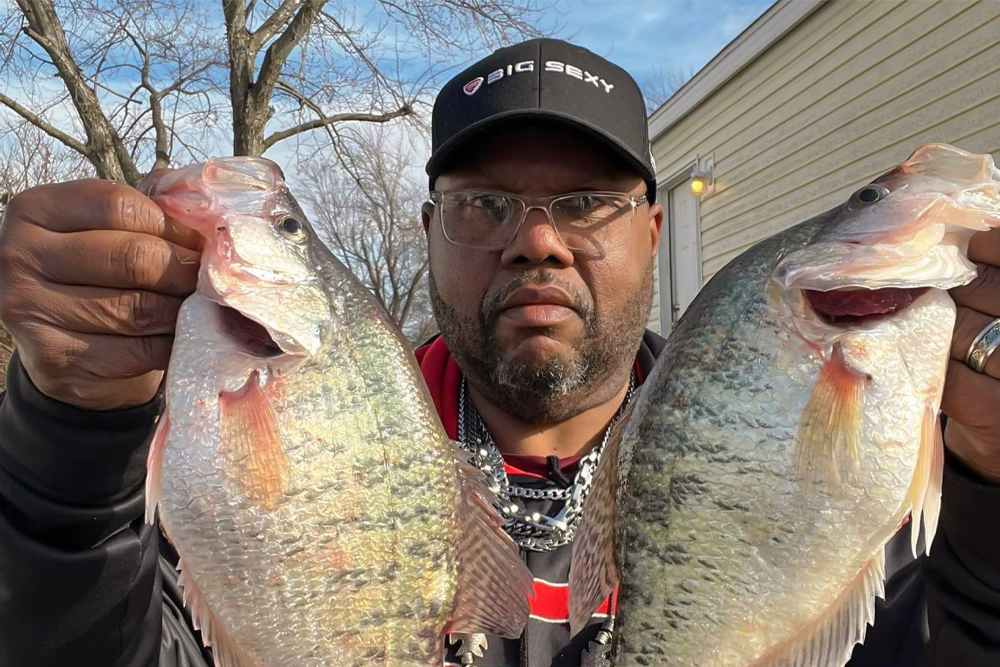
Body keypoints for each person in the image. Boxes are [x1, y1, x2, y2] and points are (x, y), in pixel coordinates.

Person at [1, 37, 999, 667]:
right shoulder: (226, 450)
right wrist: (65, 433)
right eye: (484, 204)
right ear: (428, 230)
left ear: (652, 233)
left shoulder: (884, 467)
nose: (537, 240)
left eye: (584, 202)